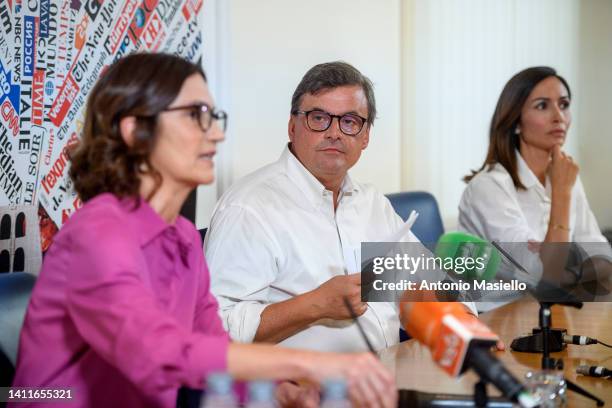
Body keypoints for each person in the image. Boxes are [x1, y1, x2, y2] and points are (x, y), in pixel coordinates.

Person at [11, 53, 396, 408]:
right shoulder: (96, 234)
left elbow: (213, 348)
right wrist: (311, 364)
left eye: (214, 117)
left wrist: (280, 389)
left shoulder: (180, 237)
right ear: (135, 131)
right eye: (195, 116)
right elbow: (153, 352)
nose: (215, 134)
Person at [205, 61, 477, 352]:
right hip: (301, 392)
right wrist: (314, 305)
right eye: (319, 118)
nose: (335, 132)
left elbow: (429, 281)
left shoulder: (371, 203)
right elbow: (217, 330)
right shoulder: (248, 208)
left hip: (384, 378)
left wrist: (464, 323)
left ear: (365, 136)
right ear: (292, 126)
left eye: (349, 121)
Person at [459, 66, 612, 309]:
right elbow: (546, 279)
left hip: (554, 313)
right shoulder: (487, 188)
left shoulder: (565, 175)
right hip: (500, 323)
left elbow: (603, 257)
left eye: (563, 104)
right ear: (515, 122)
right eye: (542, 106)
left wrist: (564, 271)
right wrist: (561, 196)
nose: (559, 117)